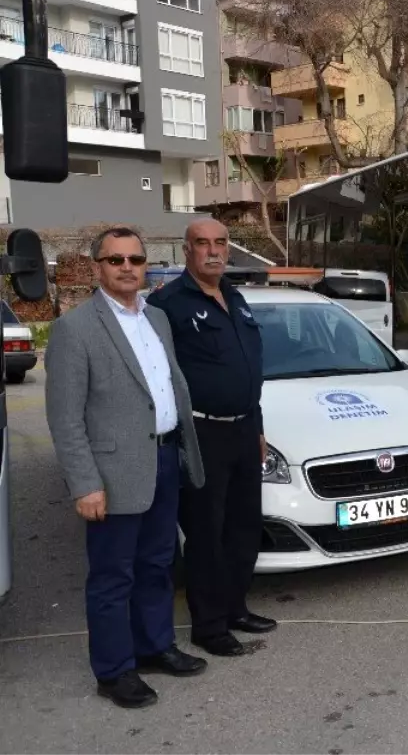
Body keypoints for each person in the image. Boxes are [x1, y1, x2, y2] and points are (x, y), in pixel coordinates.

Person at [44, 226, 208, 709]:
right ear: (97, 267)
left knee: (157, 565)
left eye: (136, 259)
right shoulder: (76, 329)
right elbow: (65, 417)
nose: (127, 268)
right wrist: (85, 484)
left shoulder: (157, 319)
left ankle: (154, 646)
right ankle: (114, 671)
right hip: (112, 474)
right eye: (116, 260)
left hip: (163, 458)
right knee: (113, 576)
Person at [147, 218, 273, 658]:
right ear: (187, 251)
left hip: (242, 430)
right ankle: (209, 625)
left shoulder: (236, 298)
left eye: (220, 243)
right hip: (201, 433)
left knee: (243, 529)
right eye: (203, 244)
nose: (213, 251)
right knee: (206, 533)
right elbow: (158, 378)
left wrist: (256, 425)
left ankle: (235, 606)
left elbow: (248, 370)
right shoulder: (167, 306)